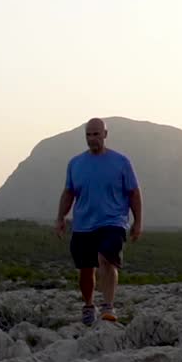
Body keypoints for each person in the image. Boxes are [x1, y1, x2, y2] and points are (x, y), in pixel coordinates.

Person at [54, 118, 143, 325]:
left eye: (96, 134)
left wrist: (138, 222)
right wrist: (60, 218)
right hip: (84, 223)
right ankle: (88, 305)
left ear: (105, 134)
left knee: (107, 259)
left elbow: (134, 193)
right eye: (89, 135)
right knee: (86, 269)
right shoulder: (75, 163)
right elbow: (69, 192)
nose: (92, 139)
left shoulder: (121, 162)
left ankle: (108, 307)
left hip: (113, 221)